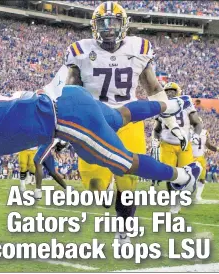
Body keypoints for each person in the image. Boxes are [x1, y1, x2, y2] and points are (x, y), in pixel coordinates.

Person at [0, 86, 201, 265]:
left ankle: (182, 176)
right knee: (120, 115)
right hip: (67, 100)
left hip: (66, 119)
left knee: (123, 163)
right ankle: (173, 104)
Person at [63, 1, 189, 244]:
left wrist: (171, 122)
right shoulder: (79, 51)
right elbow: (69, 90)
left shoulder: (139, 48)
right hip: (94, 120)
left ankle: (123, 231)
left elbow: (154, 88)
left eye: (114, 23)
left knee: (129, 180)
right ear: (94, 26)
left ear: (124, 25)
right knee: (94, 188)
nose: (109, 29)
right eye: (103, 23)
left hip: (128, 118)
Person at [152, 82, 202, 214]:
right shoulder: (162, 106)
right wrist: (155, 139)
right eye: (167, 90)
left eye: (172, 90)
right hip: (167, 144)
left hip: (184, 145)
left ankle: (181, 196)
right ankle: (174, 203)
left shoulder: (186, 104)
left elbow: (197, 123)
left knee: (185, 175)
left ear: (178, 92)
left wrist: (196, 135)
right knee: (169, 174)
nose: (169, 93)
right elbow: (157, 129)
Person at [191, 127, 218, 201]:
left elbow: (208, 145)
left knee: (202, 178)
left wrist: (216, 149)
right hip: (189, 157)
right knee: (189, 177)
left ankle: (198, 195)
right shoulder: (188, 131)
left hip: (201, 158)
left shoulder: (204, 132)